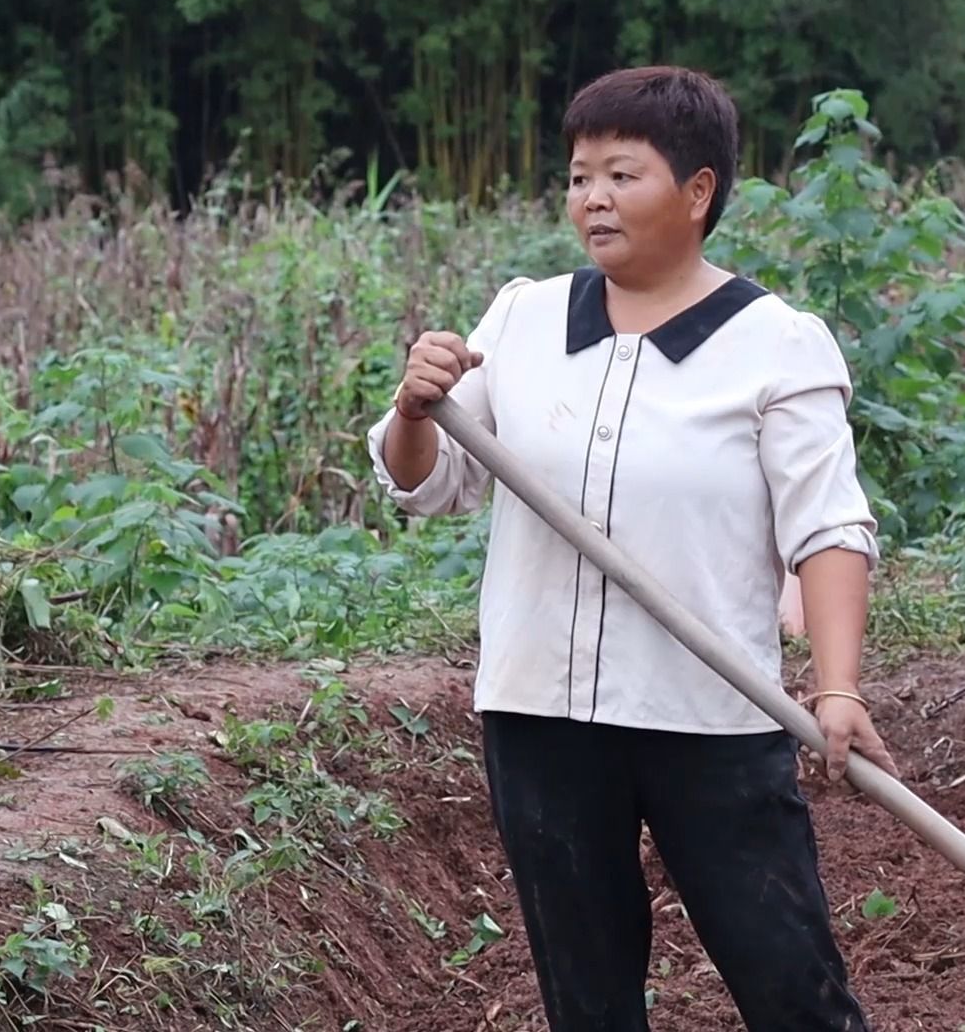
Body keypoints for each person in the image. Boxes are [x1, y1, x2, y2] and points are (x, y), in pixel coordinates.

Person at [366, 65, 896, 1032]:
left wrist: (839, 688)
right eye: (579, 177)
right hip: (541, 717)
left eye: (623, 174)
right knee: (588, 1000)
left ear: (698, 193)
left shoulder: (776, 344)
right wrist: (413, 408)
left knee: (791, 984)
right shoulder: (522, 319)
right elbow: (428, 482)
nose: (594, 199)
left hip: (711, 720)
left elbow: (827, 528)